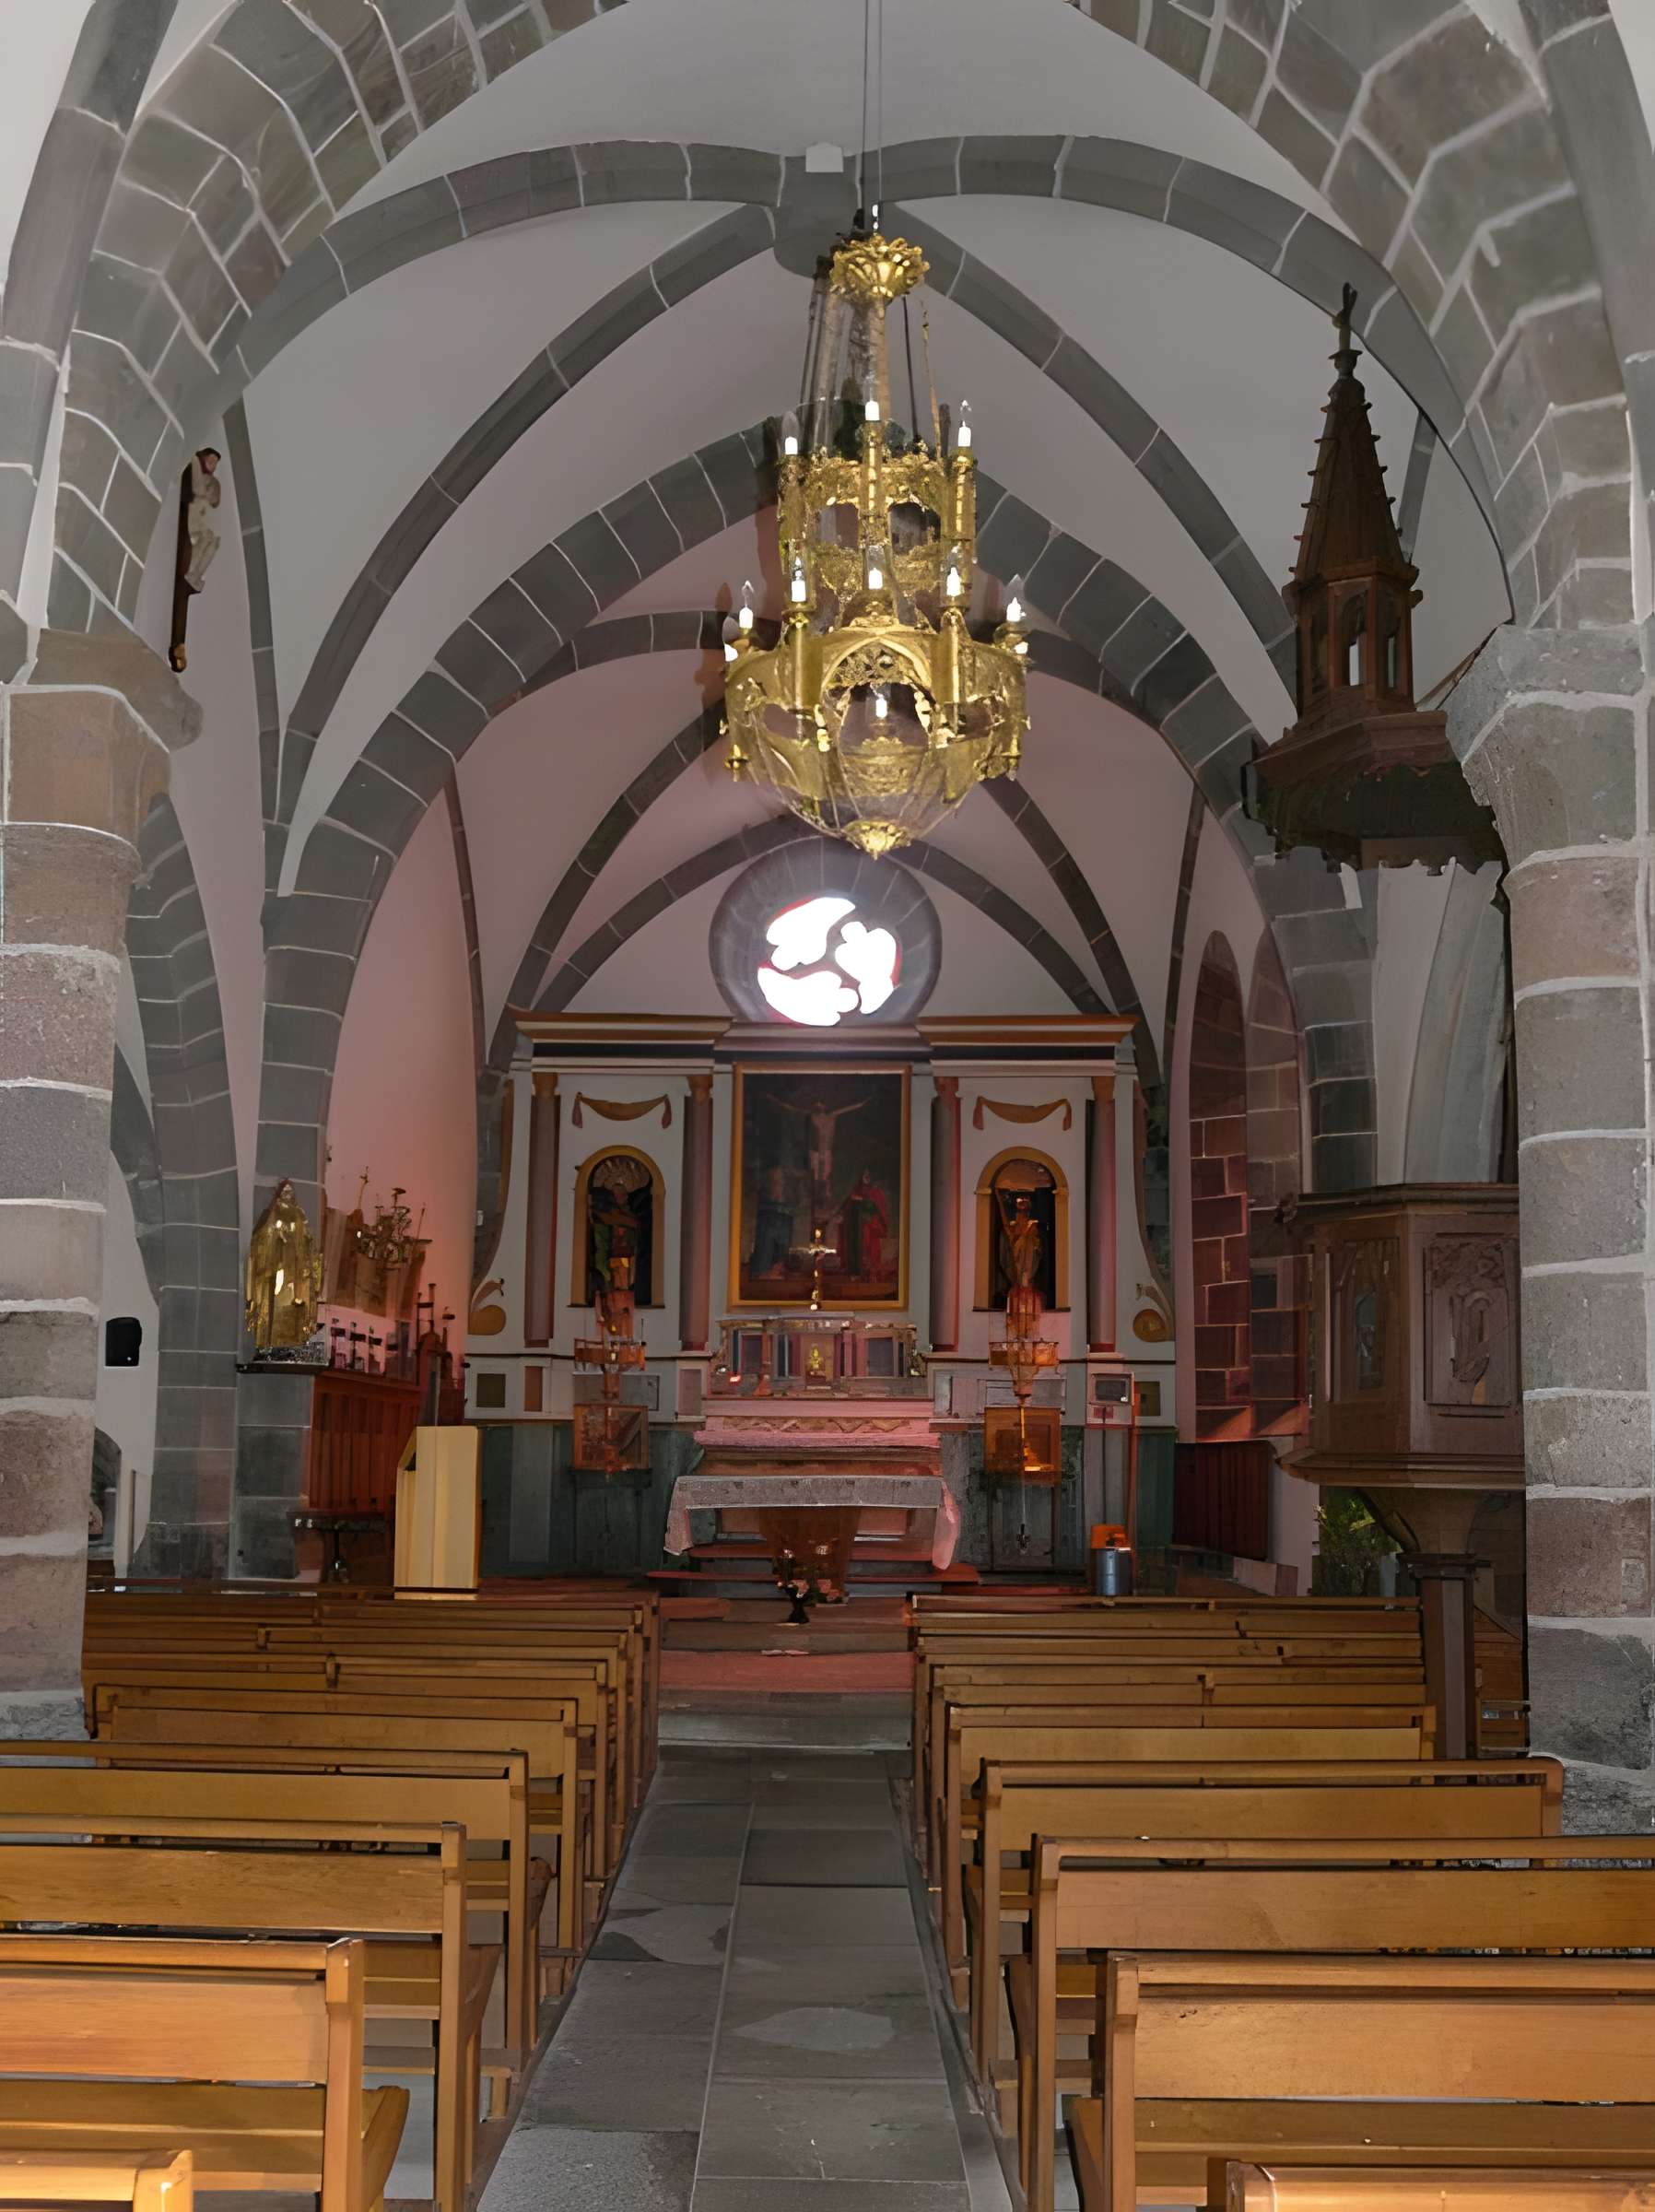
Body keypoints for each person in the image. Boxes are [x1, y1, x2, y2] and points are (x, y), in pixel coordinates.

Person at [183, 447, 221, 592]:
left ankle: (194, 574)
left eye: (215, 463)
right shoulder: (195, 467)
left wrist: (211, 486)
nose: (213, 465)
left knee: (213, 541)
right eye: (211, 460)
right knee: (205, 538)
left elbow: (215, 500)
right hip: (192, 520)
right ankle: (191, 571)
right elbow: (197, 489)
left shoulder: (213, 482)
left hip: (200, 522)